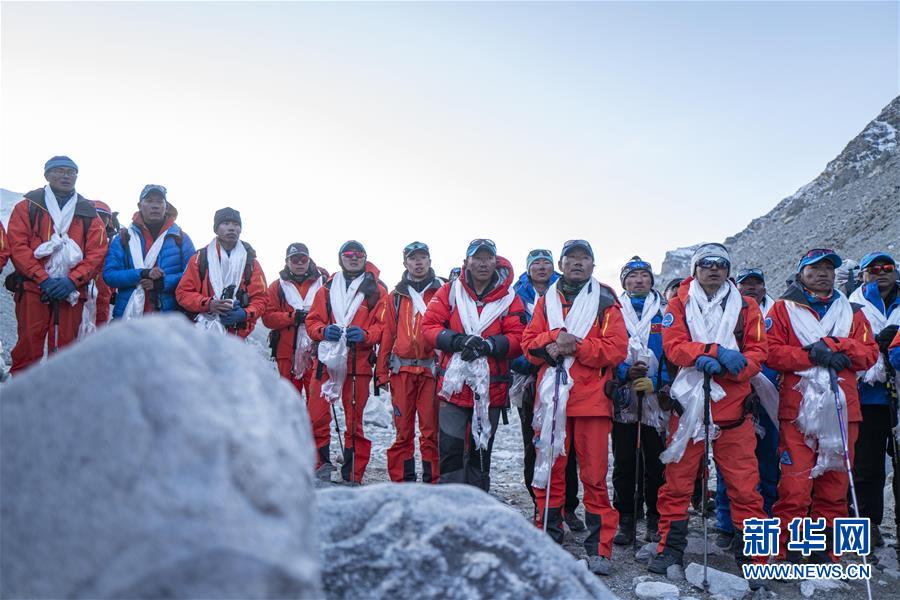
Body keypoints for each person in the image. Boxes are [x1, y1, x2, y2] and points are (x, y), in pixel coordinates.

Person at [649, 243, 769, 578]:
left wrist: (735, 367)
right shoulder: (678, 304)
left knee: (745, 487)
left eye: (720, 264)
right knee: (677, 484)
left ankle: (756, 558)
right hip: (689, 408)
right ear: (695, 269)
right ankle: (669, 549)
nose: (713, 269)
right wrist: (711, 351)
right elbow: (673, 346)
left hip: (734, 412)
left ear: (729, 270)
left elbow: (759, 352)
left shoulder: (747, 308)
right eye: (706, 263)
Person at [521, 239, 628, 575]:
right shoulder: (547, 300)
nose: (578, 264)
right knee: (549, 470)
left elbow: (616, 349)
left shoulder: (607, 300)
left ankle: (599, 547)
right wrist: (554, 338)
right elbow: (528, 344)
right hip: (552, 400)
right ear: (562, 264)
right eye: (571, 258)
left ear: (593, 265)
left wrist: (576, 345)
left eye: (585, 259)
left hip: (592, 401)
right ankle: (548, 537)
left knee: (594, 476)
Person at [767, 248, 878, 563]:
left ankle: (830, 550)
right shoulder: (782, 309)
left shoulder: (854, 312)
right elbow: (771, 352)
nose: (822, 273)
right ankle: (792, 547)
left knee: (836, 483)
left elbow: (869, 354)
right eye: (814, 268)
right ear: (801, 272)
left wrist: (834, 345)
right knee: (796, 483)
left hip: (843, 410)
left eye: (829, 268)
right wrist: (811, 356)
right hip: (798, 411)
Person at [422, 238, 526, 491]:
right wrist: (456, 340)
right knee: (450, 449)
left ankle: (477, 501)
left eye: (488, 258)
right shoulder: (449, 291)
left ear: (495, 261)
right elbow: (428, 326)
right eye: (477, 258)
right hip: (454, 388)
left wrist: (489, 345)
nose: (482, 263)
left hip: (490, 388)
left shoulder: (509, 298)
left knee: (482, 451)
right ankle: (451, 502)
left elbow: (519, 336)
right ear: (466, 262)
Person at [6, 156, 106, 373]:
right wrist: (42, 278)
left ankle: (60, 400)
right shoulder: (27, 207)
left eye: (71, 172)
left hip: (72, 292)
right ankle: (24, 399)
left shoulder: (89, 213)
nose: (66, 176)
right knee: (29, 343)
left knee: (66, 346)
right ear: (47, 175)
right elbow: (17, 245)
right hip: (33, 289)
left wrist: (72, 281)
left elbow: (97, 253)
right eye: (59, 171)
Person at [512, 249, 585, 531]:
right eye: (535, 263)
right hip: (528, 376)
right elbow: (517, 337)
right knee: (535, 441)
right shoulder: (516, 296)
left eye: (545, 262)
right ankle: (539, 503)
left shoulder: (567, 292)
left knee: (568, 446)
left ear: (554, 266)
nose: (541, 267)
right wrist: (537, 357)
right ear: (528, 268)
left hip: (564, 374)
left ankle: (568, 506)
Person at [306, 241, 387, 483]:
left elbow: (383, 327)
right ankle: (320, 464)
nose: (353, 258)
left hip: (358, 361)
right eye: (348, 254)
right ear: (341, 258)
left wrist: (366, 335)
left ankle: (353, 473)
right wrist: (322, 330)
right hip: (327, 360)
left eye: (359, 254)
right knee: (316, 415)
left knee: (354, 421)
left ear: (365, 257)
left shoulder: (377, 291)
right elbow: (312, 322)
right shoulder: (327, 289)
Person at [713, 267, 780, 549]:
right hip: (734, 396)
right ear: (736, 286)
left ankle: (765, 521)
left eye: (757, 283)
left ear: (764, 287)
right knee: (729, 466)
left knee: (766, 463)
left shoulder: (777, 313)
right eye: (746, 284)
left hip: (770, 397)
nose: (751, 288)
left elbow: (770, 351)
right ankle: (726, 525)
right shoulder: (727, 312)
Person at [611, 257, 670, 546]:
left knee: (656, 459)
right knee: (624, 459)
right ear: (624, 282)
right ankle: (626, 518)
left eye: (644, 276)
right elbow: (607, 348)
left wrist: (659, 382)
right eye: (632, 276)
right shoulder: (613, 311)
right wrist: (624, 373)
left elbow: (673, 352)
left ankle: (655, 517)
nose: (639, 281)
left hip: (655, 398)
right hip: (623, 396)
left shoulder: (665, 311)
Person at [376, 241, 444, 483]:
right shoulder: (395, 296)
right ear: (405, 263)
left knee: (430, 432)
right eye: (413, 258)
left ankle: (432, 481)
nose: (418, 262)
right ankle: (402, 482)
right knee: (402, 432)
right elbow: (388, 334)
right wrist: (381, 372)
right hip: (402, 370)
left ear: (429, 261)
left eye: (422, 257)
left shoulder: (443, 291)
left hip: (431, 371)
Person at [848, 252, 899, 547]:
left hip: (897, 398)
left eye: (887, 267)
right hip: (866, 396)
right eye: (874, 268)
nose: (881, 272)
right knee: (867, 465)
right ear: (863, 274)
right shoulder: (852, 305)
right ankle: (868, 523)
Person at [104, 185, 195, 320]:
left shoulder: (180, 238)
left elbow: (192, 276)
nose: (155, 206)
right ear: (140, 205)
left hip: (168, 319)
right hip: (127, 317)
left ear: (166, 206)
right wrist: (142, 273)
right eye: (149, 201)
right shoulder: (123, 238)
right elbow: (109, 276)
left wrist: (162, 283)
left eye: (159, 201)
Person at [175, 207, 266, 337]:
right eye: (226, 223)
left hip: (237, 336)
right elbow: (182, 293)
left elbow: (261, 298)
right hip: (201, 333)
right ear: (216, 229)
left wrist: (245, 313)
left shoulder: (251, 263)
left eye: (236, 224)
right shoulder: (200, 259)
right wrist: (208, 304)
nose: (232, 228)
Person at [261, 243, 328, 399]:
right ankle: (289, 424)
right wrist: (293, 317)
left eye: (303, 259)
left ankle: (314, 424)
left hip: (317, 349)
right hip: (287, 352)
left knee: (317, 398)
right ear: (287, 262)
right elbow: (268, 318)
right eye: (294, 259)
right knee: (289, 397)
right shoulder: (276, 286)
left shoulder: (324, 283)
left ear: (309, 260)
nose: (299, 263)